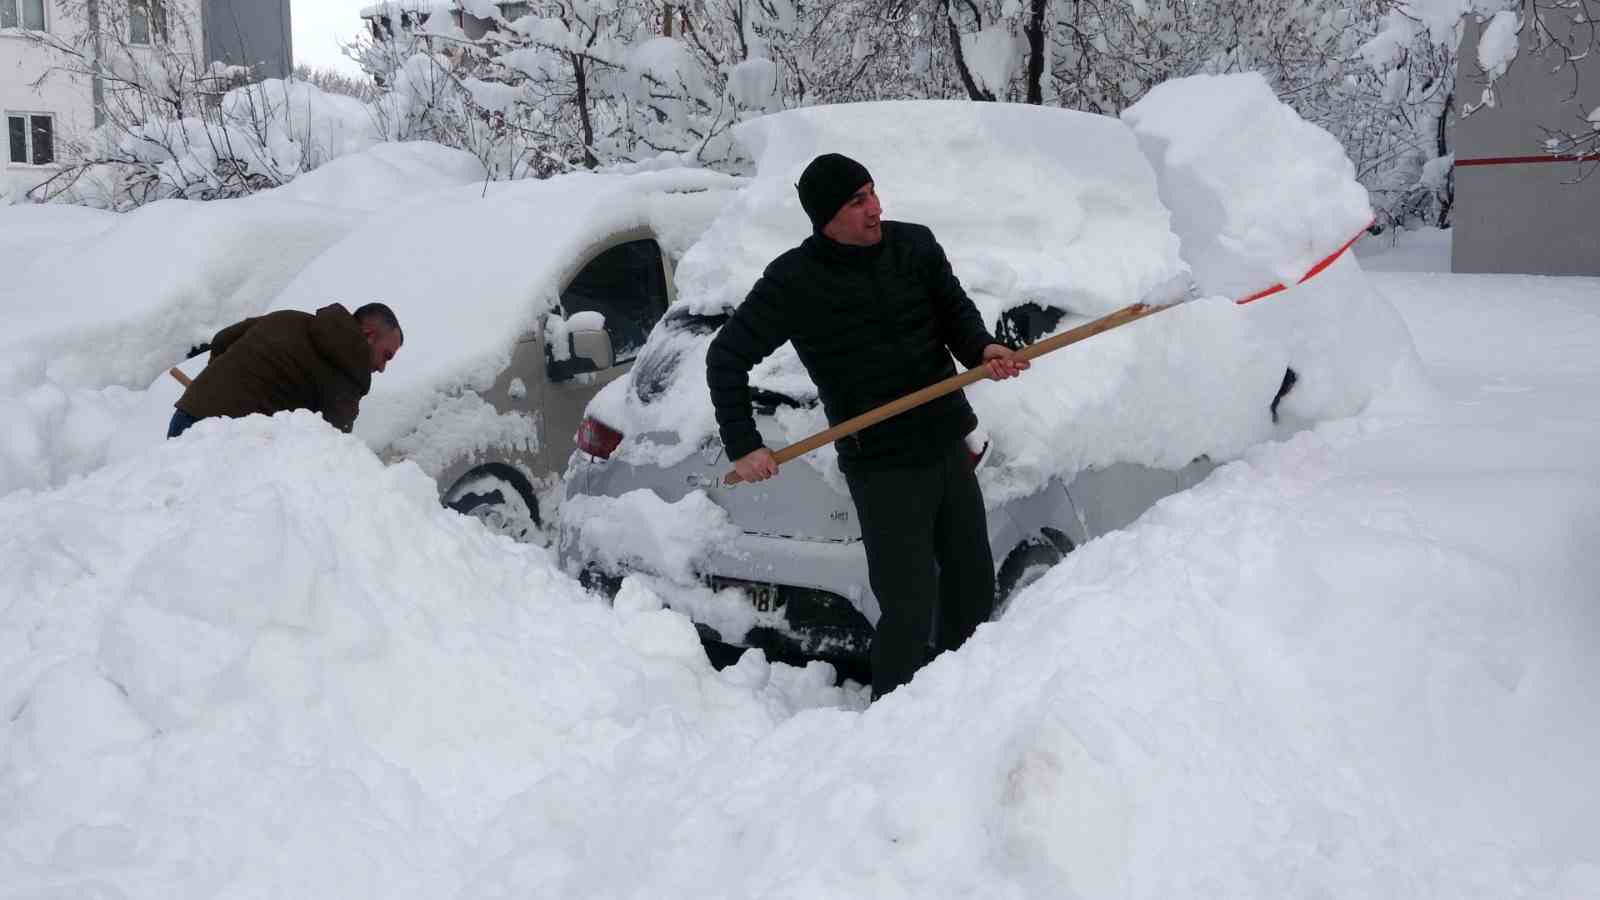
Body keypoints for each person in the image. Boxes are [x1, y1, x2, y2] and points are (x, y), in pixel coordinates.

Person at [705, 153, 1028, 699]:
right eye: (857, 201)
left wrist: (982, 347)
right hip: (881, 464)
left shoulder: (914, 245)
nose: (874, 208)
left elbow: (954, 313)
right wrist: (744, 444)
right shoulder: (794, 281)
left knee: (973, 588)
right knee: (908, 605)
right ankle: (894, 724)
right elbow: (726, 357)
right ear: (825, 216)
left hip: (946, 442)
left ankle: (966, 706)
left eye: (873, 193)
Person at [167, 302, 403, 439]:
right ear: (369, 336)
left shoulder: (291, 318)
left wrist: (215, 391)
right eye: (386, 356)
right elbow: (331, 442)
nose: (382, 368)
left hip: (187, 415)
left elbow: (222, 340)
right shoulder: (348, 370)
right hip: (224, 444)